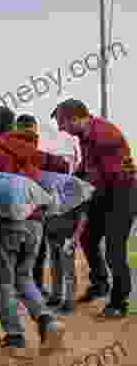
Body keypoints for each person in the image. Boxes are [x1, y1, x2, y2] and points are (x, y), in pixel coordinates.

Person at [0, 106, 69, 353]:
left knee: (5, 283)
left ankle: (15, 336)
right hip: (36, 224)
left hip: (9, 223)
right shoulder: (31, 150)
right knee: (24, 276)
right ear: (12, 127)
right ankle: (47, 321)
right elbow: (62, 166)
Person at [52, 98, 137, 318]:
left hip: (122, 194)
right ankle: (100, 283)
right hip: (104, 191)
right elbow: (88, 165)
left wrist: (82, 199)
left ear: (75, 118)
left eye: (62, 123)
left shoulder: (104, 135)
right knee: (88, 238)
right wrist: (71, 180)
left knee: (114, 249)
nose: (61, 128)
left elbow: (110, 178)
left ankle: (119, 301)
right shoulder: (85, 135)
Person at [15, 114, 49, 297]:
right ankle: (33, 286)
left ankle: (25, 287)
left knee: (23, 252)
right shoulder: (36, 153)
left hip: (22, 210)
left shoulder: (10, 149)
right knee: (34, 252)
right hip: (31, 211)